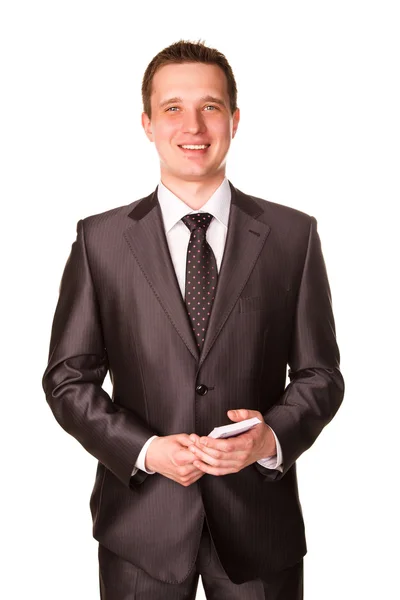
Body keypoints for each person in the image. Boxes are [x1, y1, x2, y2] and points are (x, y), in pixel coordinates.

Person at [42, 39, 345, 599]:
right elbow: (67, 379)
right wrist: (147, 450)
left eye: (209, 107)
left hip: (259, 526)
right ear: (147, 123)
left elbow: (320, 375)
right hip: (142, 527)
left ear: (234, 119)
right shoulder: (101, 241)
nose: (193, 126)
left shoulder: (292, 237)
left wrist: (268, 439)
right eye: (173, 108)